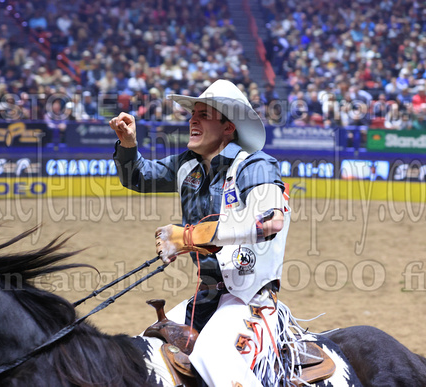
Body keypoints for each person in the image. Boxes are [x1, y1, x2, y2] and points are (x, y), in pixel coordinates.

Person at [110, 79, 292, 386]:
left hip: (252, 299)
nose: (193, 119)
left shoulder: (256, 166)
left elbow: (271, 222)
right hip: (206, 296)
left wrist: (189, 237)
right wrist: (128, 144)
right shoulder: (187, 166)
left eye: (204, 114)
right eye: (193, 113)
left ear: (228, 127)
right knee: (144, 352)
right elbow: (138, 177)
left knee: (212, 355)